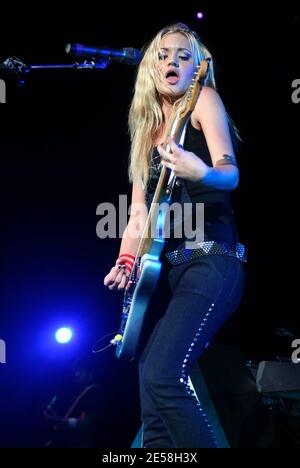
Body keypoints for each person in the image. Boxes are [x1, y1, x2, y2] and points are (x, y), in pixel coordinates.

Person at [104, 22, 246, 448]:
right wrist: (126, 261)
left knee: (165, 374)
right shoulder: (146, 133)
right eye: (165, 54)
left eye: (185, 56)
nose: (173, 61)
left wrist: (199, 171)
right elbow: (138, 214)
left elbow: (229, 172)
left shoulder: (202, 100)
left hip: (214, 261)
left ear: (197, 68)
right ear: (152, 65)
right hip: (172, 273)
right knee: (150, 381)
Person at [43, 358, 101, 447]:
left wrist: (60, 422)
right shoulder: (83, 390)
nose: (76, 374)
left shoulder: (93, 391)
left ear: (90, 373)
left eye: (80, 371)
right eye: (77, 371)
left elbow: (85, 423)